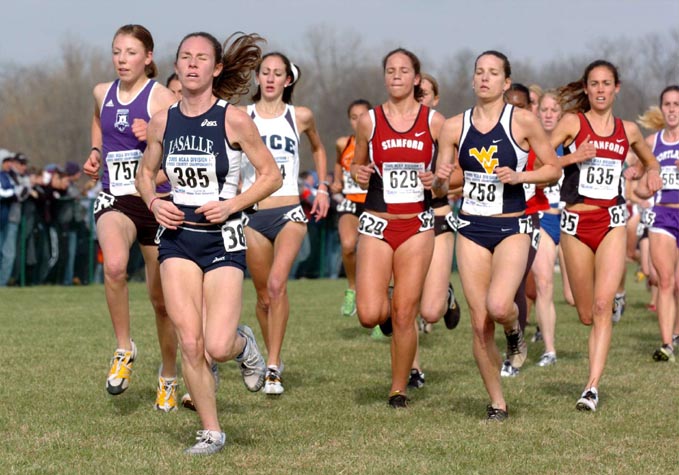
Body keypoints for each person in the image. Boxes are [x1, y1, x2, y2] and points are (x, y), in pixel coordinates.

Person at [136, 31, 281, 455]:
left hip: (223, 239)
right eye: (185, 57)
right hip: (178, 240)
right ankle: (211, 431)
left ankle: (244, 344)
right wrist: (153, 202)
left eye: (202, 58)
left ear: (216, 69)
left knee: (217, 345)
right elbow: (146, 173)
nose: (192, 64)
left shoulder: (232, 119)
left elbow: (270, 175)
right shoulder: (163, 120)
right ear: (177, 66)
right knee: (190, 341)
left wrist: (232, 203)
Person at [435, 50, 560, 420]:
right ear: (473, 80)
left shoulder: (523, 121)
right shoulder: (453, 127)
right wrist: (441, 179)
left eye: (493, 73)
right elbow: (442, 190)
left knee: (500, 305)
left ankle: (515, 331)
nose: (485, 78)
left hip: (513, 225)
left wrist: (522, 176)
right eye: (479, 72)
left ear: (506, 82)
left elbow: (553, 169)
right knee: (478, 323)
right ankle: (497, 402)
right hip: (472, 226)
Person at [551, 60, 662, 412]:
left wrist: (648, 172)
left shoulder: (627, 130)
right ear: (586, 88)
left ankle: (591, 387)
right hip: (575, 223)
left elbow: (651, 161)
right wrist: (572, 158)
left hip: (612, 221)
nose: (600, 89)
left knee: (601, 306)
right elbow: (540, 160)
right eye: (594, 83)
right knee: (584, 311)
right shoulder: (573, 123)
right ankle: (603, 305)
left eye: (606, 83)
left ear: (617, 88)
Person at [81, 25, 179, 410]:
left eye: (131, 52)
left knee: (161, 302)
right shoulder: (101, 92)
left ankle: (168, 376)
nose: (122, 59)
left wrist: (150, 136)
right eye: (116, 52)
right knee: (115, 266)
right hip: (115, 198)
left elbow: (180, 162)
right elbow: (98, 121)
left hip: (156, 203)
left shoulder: (162, 98)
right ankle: (124, 348)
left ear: (148, 57)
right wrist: (94, 150)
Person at [351, 47, 446, 408]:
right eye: (390, 71)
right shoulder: (369, 121)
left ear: (416, 79)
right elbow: (358, 170)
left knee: (406, 313)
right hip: (377, 222)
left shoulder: (435, 123)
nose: (396, 76)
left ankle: (398, 388)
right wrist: (357, 174)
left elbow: (450, 180)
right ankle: (389, 311)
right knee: (369, 314)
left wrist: (435, 181)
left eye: (403, 71)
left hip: (417, 225)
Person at [240, 51, 329, 395]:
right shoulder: (242, 116)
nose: (271, 78)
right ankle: (269, 353)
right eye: (265, 72)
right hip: (252, 213)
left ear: (288, 79)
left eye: (278, 73)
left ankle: (273, 365)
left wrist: (322, 187)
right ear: (258, 78)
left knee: (278, 285)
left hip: (290, 210)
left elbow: (319, 149)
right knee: (263, 297)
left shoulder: (300, 116)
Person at [409, 73, 461, 389]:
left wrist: (439, 183)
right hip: (402, 221)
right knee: (405, 305)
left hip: (438, 215)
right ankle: (413, 369)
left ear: (435, 99)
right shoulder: (391, 126)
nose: (419, 99)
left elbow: (465, 177)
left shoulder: (446, 130)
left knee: (429, 311)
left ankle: (446, 297)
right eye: (415, 94)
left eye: (424, 94)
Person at [637, 85, 679, 361]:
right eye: (667, 104)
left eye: (677, 104)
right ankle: (666, 343)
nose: (672, 109)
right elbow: (640, 189)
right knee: (664, 281)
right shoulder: (652, 144)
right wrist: (642, 182)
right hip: (663, 215)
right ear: (661, 108)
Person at [531, 90, 567, 367]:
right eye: (544, 109)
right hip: (543, 216)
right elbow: (541, 173)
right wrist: (573, 158)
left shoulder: (574, 141)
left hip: (572, 219)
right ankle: (550, 350)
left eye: (554, 110)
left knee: (573, 298)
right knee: (544, 283)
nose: (548, 114)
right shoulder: (532, 142)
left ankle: (614, 300)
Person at [331, 99, 372, 319]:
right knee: (347, 245)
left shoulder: (379, 143)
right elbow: (339, 162)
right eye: (353, 117)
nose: (358, 122)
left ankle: (378, 306)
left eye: (362, 116)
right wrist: (337, 180)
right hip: (351, 202)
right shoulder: (343, 143)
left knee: (371, 256)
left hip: (374, 204)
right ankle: (353, 288)